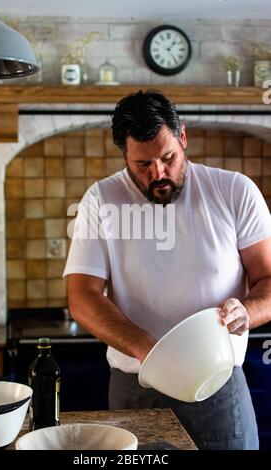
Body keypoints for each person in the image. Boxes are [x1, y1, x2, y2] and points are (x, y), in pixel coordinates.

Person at [63, 90, 271, 450]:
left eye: (168, 157)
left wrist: (248, 310)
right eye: (143, 165)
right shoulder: (101, 200)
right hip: (138, 386)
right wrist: (148, 349)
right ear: (124, 155)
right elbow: (82, 296)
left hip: (218, 385)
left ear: (183, 137)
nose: (159, 173)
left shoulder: (234, 190)